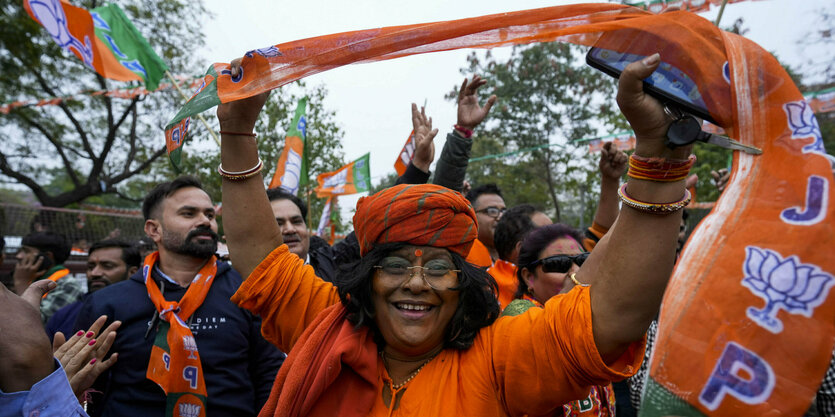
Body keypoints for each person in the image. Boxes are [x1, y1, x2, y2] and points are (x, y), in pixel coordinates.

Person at [215, 52, 687, 415]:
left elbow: (612, 318)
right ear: (366, 279)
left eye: (439, 268)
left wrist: (658, 163)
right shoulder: (326, 325)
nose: (416, 283)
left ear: (463, 282)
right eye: (396, 265)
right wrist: (237, 135)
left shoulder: (501, 352)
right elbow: (262, 256)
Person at [75, 176, 284, 417]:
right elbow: (88, 390)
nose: (204, 221)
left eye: (209, 215)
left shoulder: (247, 293)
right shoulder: (107, 303)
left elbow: (269, 373)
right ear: (154, 229)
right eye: (189, 214)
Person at [507, 223, 615, 416]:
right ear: (529, 278)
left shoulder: (587, 315)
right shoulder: (516, 319)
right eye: (558, 264)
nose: (575, 271)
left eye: (583, 261)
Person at [46, 239, 141, 341]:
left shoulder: (146, 313)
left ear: (132, 272)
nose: (95, 273)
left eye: (107, 266)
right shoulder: (64, 315)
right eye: (91, 267)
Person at [266, 187, 340, 282]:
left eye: (296, 221)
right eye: (278, 224)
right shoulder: (252, 283)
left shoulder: (335, 265)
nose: (290, 229)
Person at [490, 204, 552, 308]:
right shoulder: (526, 303)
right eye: (550, 238)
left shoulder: (488, 280)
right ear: (523, 249)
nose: (561, 242)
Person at [13, 230, 82, 323]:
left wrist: (21, 283)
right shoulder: (32, 278)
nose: (19, 256)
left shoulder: (68, 285)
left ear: (47, 256)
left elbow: (36, 322)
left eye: (26, 251)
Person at [466, 183, 506, 264]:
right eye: (492, 211)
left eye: (504, 211)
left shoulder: (518, 259)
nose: (501, 217)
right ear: (471, 216)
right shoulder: (460, 259)